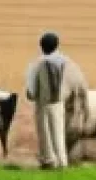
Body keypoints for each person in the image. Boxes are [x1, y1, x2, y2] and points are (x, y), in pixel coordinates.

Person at [25, 32, 87, 169]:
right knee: (58, 132)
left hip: (43, 102)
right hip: (59, 102)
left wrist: (32, 95)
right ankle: (62, 161)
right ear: (57, 45)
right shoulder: (66, 61)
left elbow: (31, 90)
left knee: (44, 132)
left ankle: (48, 160)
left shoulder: (36, 63)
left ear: (41, 46)